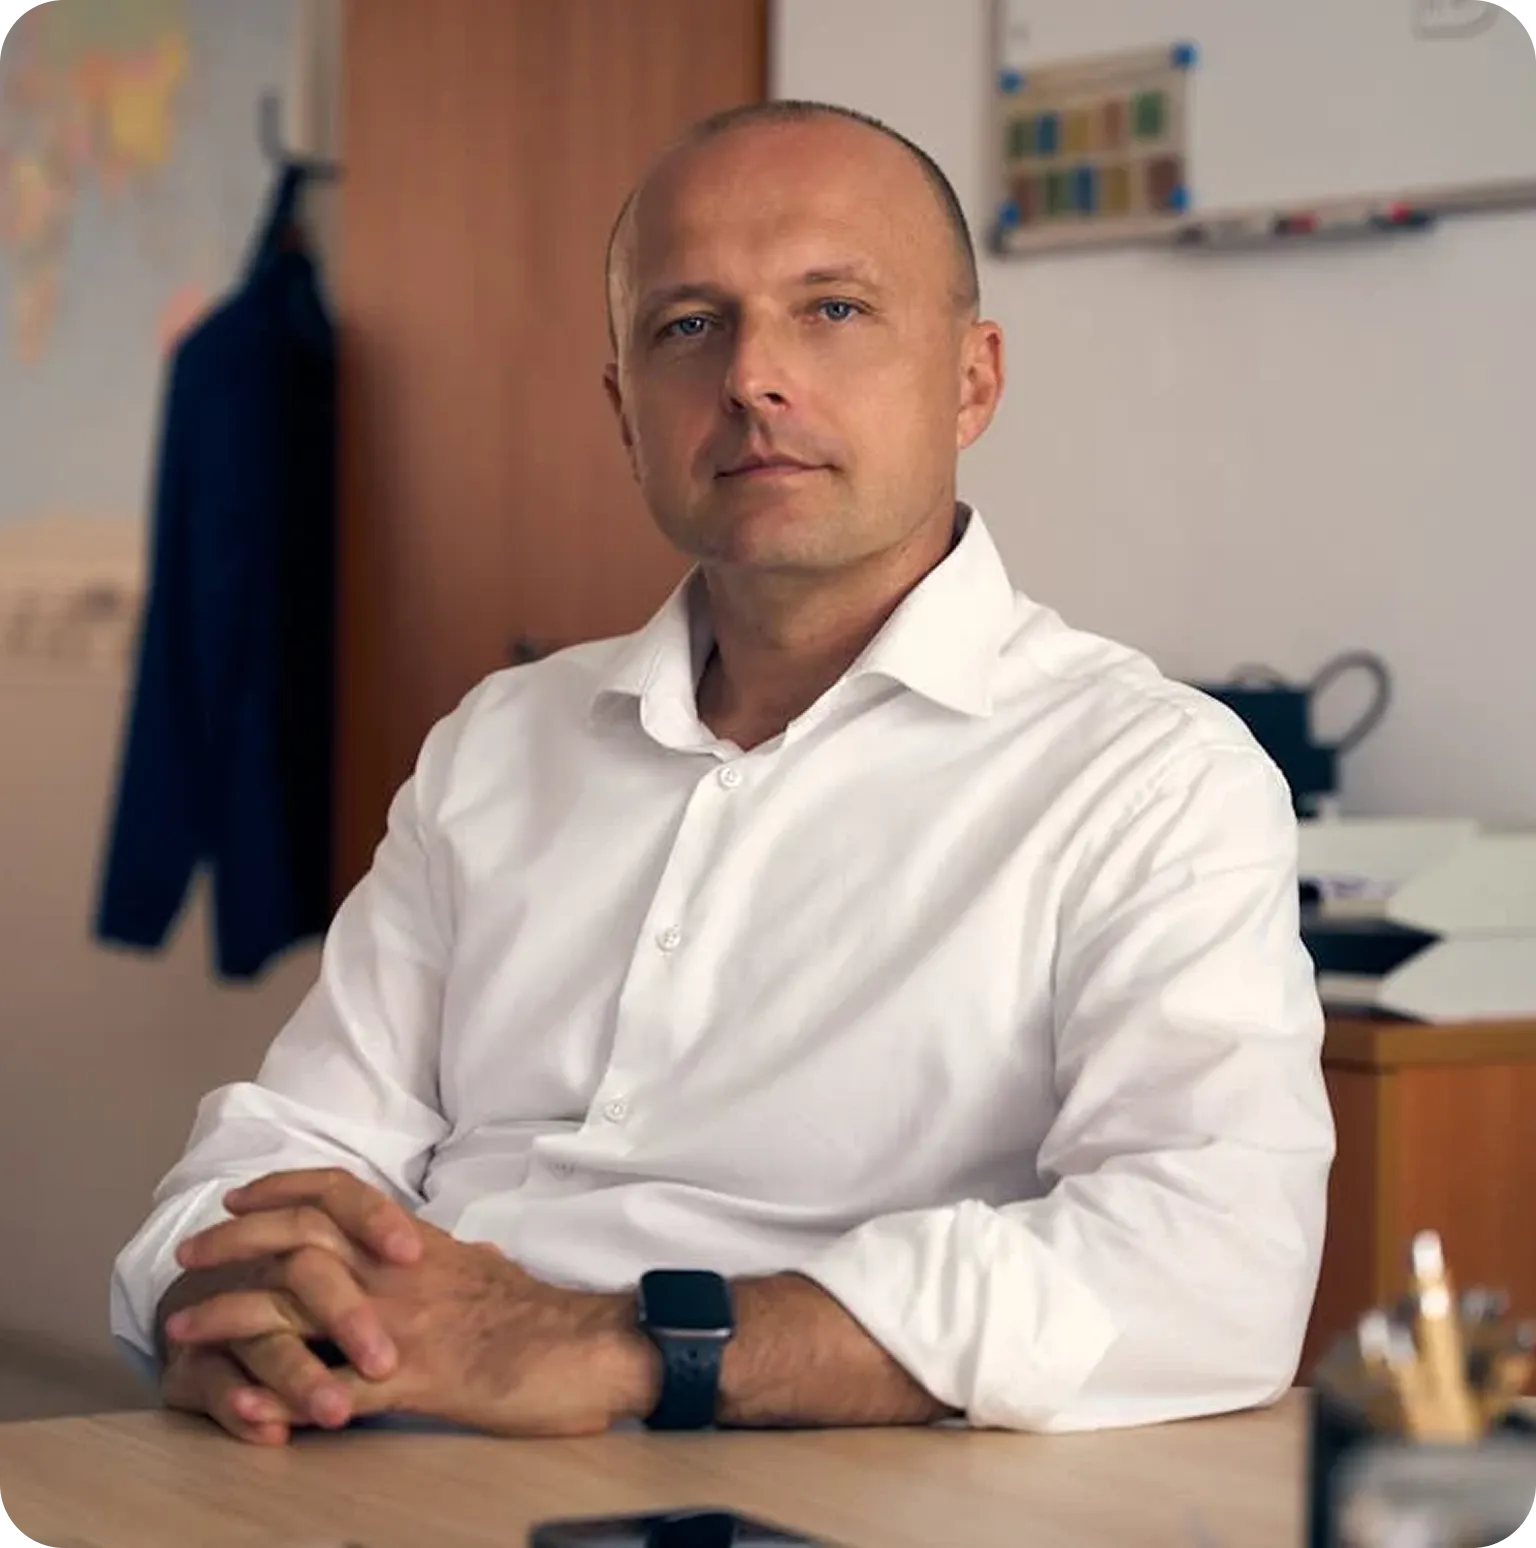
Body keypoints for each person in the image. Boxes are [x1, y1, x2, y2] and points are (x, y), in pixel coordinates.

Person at [111, 100, 1335, 1447]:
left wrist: (629, 1351)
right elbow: (288, 1148)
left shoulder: (1151, 780)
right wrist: (237, 1304)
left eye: (834, 311)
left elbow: (1210, 1272)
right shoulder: (501, 743)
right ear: (623, 409)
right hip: (376, 1442)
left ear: (973, 380)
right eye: (688, 325)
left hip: (808, 1492)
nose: (754, 377)